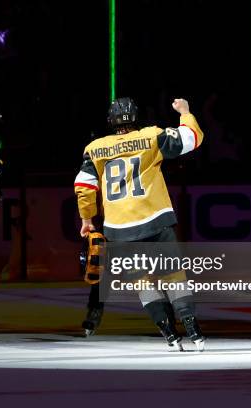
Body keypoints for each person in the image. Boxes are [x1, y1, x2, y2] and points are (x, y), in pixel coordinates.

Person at [74, 97, 206, 351]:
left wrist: (87, 219)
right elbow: (192, 139)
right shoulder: (151, 136)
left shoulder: (94, 148)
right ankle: (192, 326)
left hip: (119, 227)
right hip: (155, 218)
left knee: (142, 283)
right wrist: (185, 113)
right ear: (136, 116)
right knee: (173, 275)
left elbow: (84, 187)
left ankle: (168, 331)